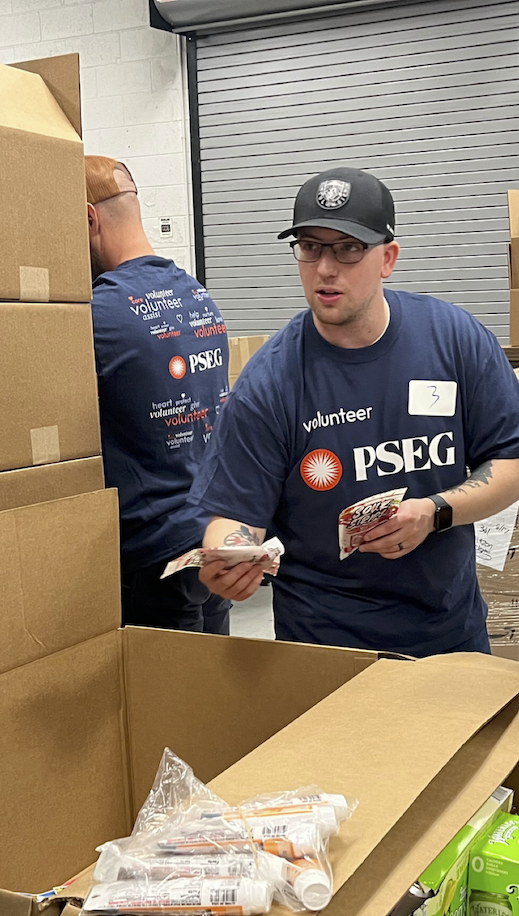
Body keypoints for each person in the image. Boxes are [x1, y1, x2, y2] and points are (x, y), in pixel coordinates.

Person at [193, 166, 519, 657]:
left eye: (348, 248)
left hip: (450, 639)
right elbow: (234, 515)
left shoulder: (455, 341)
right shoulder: (269, 383)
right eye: (310, 246)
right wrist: (230, 557)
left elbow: (510, 461)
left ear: (387, 258)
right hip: (325, 651)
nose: (326, 267)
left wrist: (435, 512)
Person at [86, 155, 231, 635]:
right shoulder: (195, 293)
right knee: (215, 693)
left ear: (89, 218)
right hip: (208, 534)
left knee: (168, 702)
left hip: (150, 553)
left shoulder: (99, 312)